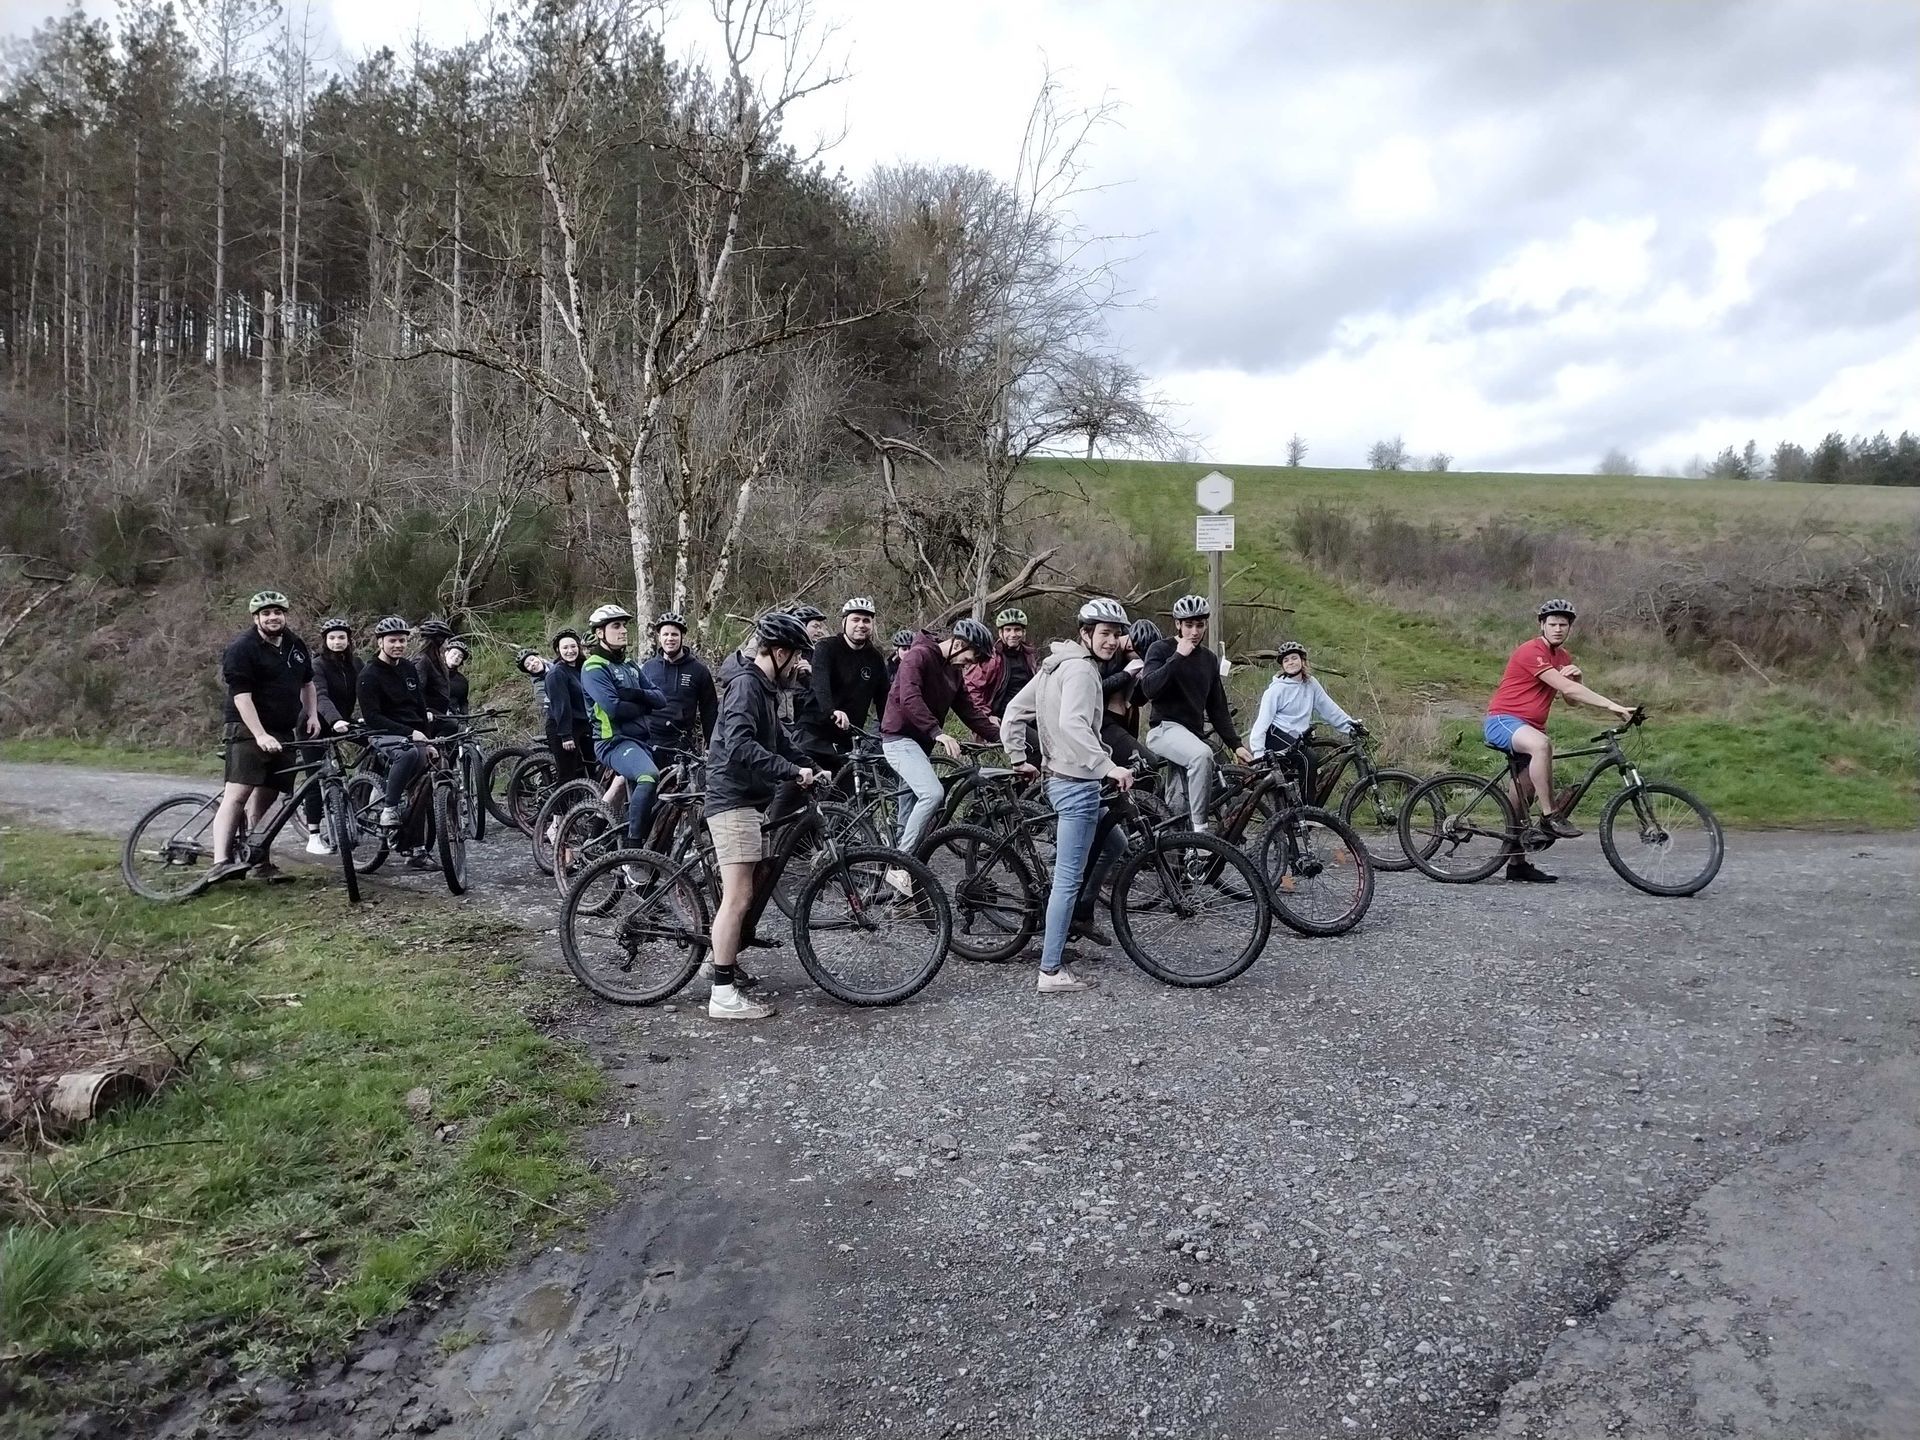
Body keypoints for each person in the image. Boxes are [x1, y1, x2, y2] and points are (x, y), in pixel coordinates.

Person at [1001, 598, 1136, 994]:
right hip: (1075, 784)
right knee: (1067, 880)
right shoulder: (1080, 671)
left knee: (1115, 844)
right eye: (1104, 633)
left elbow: (1013, 711)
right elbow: (1074, 723)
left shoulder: (1053, 664)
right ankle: (1050, 969)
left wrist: (1017, 757)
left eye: (1115, 634)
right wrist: (1107, 766)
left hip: (1066, 776)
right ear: (1085, 634)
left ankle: (1077, 917)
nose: (1111, 641)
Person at [701, 611, 820, 1022]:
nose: (801, 665)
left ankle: (720, 960)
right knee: (739, 897)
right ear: (781, 652)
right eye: (798, 656)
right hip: (731, 799)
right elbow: (738, 745)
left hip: (749, 800)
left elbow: (779, 738)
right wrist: (790, 772)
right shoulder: (746, 687)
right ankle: (721, 994)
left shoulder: (765, 688)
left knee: (746, 891)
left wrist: (807, 764)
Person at [1485, 598, 1637, 883]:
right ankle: (1550, 815)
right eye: (1552, 624)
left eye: (1563, 625)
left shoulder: (1563, 657)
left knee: (1520, 800)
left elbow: (1571, 698)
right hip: (1503, 721)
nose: (1557, 629)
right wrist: (1611, 705)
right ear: (1542, 625)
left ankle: (1516, 865)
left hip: (1527, 728)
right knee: (1543, 745)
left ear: (1569, 628)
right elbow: (1565, 687)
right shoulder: (1531, 651)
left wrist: (1577, 679)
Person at [208, 590, 320, 884]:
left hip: (283, 731)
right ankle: (220, 862)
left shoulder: (295, 645)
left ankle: (259, 860)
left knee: (268, 797)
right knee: (238, 794)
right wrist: (259, 734)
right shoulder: (242, 648)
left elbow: (308, 683)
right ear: (256, 618)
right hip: (247, 730)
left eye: (278, 612)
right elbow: (241, 697)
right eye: (266, 613)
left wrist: (311, 715)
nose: (273, 617)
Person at [879, 618, 999, 865]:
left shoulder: (953, 671)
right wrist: (938, 732)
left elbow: (968, 710)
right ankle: (901, 863)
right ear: (958, 643)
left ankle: (903, 877)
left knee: (911, 807)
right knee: (933, 794)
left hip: (921, 744)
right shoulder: (918, 656)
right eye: (969, 659)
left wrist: (1002, 739)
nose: (968, 666)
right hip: (899, 738)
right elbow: (909, 697)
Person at [1139, 595, 1253, 831]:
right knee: (1201, 756)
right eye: (1188, 625)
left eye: (1199, 625)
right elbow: (1149, 688)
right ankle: (1200, 830)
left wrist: (1236, 745)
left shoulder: (1209, 659)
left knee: (1179, 801)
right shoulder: (1160, 649)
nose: (1194, 631)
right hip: (1164, 730)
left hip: (1191, 735)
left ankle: (1178, 853)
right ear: (1178, 624)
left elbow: (1217, 707)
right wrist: (1178, 657)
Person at [580, 603, 667, 850]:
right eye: (616, 626)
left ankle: (615, 852)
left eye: (624, 625)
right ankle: (633, 846)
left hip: (640, 739)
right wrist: (644, 702)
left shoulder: (628, 664)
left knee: (648, 799)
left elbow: (660, 699)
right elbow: (614, 708)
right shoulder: (594, 666)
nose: (623, 631)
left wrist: (633, 693)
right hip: (613, 741)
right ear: (600, 632)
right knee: (648, 777)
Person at [357, 615, 439, 869]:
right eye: (392, 641)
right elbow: (372, 717)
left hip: (412, 732)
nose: (398, 645)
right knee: (408, 754)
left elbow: (419, 707)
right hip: (384, 732)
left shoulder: (408, 668)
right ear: (380, 642)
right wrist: (408, 733)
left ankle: (415, 849)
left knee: (426, 784)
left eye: (402, 641)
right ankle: (390, 807)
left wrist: (428, 739)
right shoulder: (368, 674)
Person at [1248, 641, 1359, 803]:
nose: (1291, 662)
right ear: (1282, 665)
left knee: (1310, 765)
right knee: (1308, 758)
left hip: (1298, 738)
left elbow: (1329, 709)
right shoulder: (1275, 690)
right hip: (1275, 734)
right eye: (1286, 660)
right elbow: (1261, 723)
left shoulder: (1311, 684)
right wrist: (1257, 754)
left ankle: (1294, 809)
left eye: (1294, 658)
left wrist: (1351, 726)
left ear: (1302, 661)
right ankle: (1309, 810)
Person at [807, 597, 890, 767]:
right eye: (856, 619)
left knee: (847, 791)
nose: (861, 625)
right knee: (799, 785)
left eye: (866, 620)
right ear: (844, 622)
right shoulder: (826, 648)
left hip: (848, 738)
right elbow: (820, 684)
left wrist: (890, 729)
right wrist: (832, 711)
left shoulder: (875, 658)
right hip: (814, 732)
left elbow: (884, 699)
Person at [307, 617, 362, 855]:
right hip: (315, 725)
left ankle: (367, 791)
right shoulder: (318, 665)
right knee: (315, 774)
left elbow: (368, 690)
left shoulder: (356, 664)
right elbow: (320, 695)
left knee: (378, 744)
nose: (337, 642)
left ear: (349, 640)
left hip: (343, 721)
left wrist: (369, 716)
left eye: (341, 637)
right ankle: (314, 835)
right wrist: (335, 719)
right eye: (332, 638)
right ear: (325, 641)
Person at [641, 612, 718, 764]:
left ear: (682, 636)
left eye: (675, 635)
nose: (670, 639)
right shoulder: (648, 668)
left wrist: (712, 746)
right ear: (659, 637)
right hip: (649, 741)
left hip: (680, 744)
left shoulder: (699, 671)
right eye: (666, 634)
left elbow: (709, 712)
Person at [1097, 617, 1159, 767]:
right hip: (1106, 722)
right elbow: (1096, 688)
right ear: (1131, 646)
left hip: (1127, 721)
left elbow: (1138, 700)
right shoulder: (1109, 653)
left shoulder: (1133, 657)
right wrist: (1126, 674)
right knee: (1146, 765)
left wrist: (1144, 681)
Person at [964, 607, 1039, 720]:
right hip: (1001, 719)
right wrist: (987, 716)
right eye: (1008, 630)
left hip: (1028, 715)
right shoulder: (991, 658)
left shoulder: (1030, 655)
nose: (1013, 634)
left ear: (1024, 632)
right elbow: (971, 687)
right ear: (1000, 633)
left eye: (1017, 629)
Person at [543, 629, 590, 785]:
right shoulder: (557, 674)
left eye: (573, 646)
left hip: (582, 724)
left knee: (591, 767)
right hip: (562, 727)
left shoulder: (581, 668)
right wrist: (566, 735)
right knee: (568, 775)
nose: (570, 651)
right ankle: (560, 808)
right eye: (565, 648)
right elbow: (561, 705)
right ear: (558, 650)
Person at [415, 618, 454, 724]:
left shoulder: (436, 660)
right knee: (452, 726)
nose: (447, 645)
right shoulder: (422, 661)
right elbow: (417, 690)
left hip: (439, 713)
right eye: (446, 640)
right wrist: (425, 711)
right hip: (428, 716)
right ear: (439, 640)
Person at [443, 640, 472, 715]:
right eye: (454, 653)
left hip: (452, 718)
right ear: (446, 653)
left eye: (460, 656)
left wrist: (465, 719)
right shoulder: (433, 672)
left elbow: (463, 702)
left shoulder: (462, 681)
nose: (456, 657)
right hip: (431, 716)